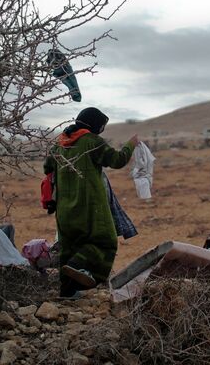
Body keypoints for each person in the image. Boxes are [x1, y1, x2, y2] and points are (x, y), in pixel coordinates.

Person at [43, 107, 139, 298]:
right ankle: (78, 266)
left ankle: (67, 293)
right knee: (104, 242)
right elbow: (117, 160)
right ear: (95, 125)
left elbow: (47, 167)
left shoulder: (59, 144)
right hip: (90, 208)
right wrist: (130, 145)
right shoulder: (92, 142)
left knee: (69, 248)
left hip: (64, 210)